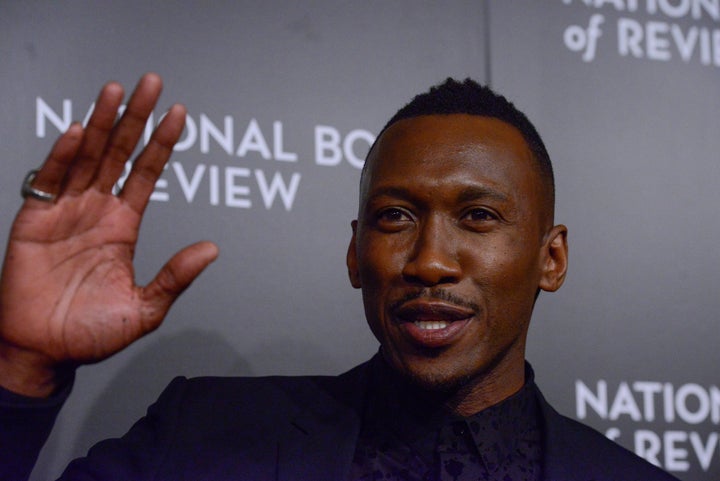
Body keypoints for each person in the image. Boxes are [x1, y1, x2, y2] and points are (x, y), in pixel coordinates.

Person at [0, 74, 678, 481]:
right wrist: (21, 369)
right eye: (394, 216)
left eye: (477, 215)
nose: (430, 260)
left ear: (550, 259)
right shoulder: (201, 433)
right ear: (355, 254)